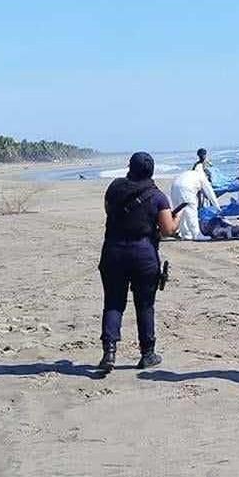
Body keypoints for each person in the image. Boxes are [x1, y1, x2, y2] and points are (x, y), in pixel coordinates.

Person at [98, 152, 182, 373]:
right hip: (143, 252)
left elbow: (108, 211)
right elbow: (168, 230)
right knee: (145, 304)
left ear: (130, 168)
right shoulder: (158, 196)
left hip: (113, 250)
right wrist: (177, 219)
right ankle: (147, 353)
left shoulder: (115, 187)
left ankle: (109, 351)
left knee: (113, 302)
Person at [170, 167, 220, 241]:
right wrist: (218, 208)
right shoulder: (202, 177)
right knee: (191, 212)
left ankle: (186, 234)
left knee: (180, 213)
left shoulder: (191, 173)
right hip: (186, 188)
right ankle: (196, 234)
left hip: (174, 186)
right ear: (207, 176)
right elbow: (210, 194)